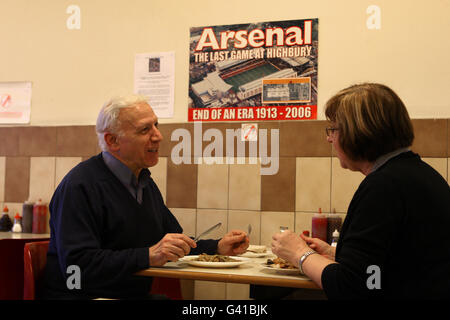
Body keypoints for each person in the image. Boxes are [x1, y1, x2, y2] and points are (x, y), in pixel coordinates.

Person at [42, 95, 249, 299]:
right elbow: (75, 268)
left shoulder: (144, 183)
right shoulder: (80, 186)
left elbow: (175, 243)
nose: (158, 136)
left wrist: (217, 247)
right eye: (145, 129)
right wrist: (148, 256)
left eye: (156, 125)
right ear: (112, 140)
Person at [272, 83, 450, 299]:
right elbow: (394, 260)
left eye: (334, 129)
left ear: (357, 132)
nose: (329, 138)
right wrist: (334, 253)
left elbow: (351, 285)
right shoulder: (419, 174)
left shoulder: (384, 186)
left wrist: (299, 253)